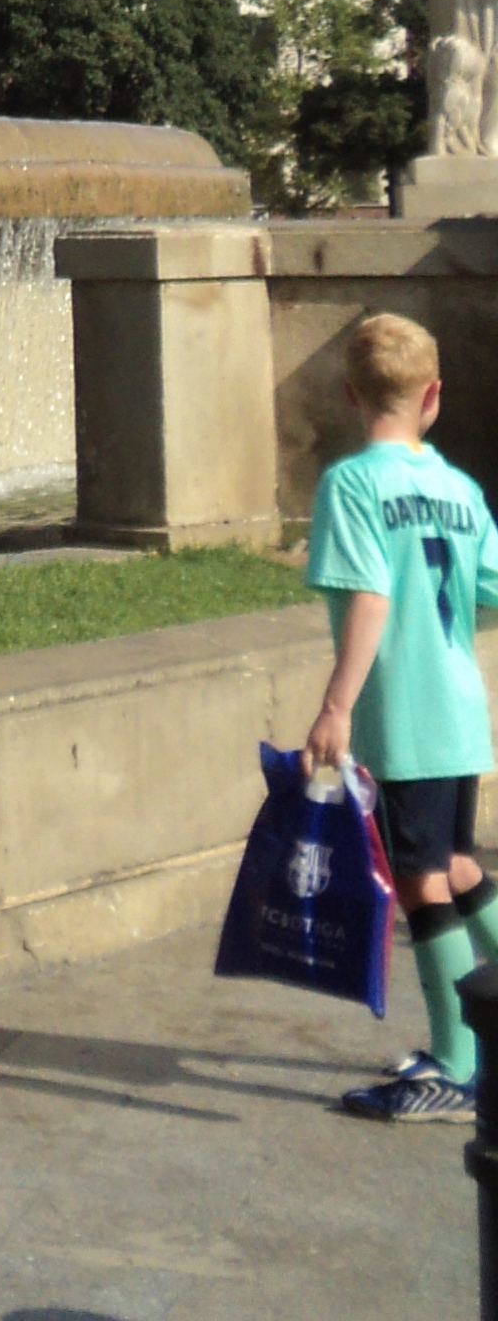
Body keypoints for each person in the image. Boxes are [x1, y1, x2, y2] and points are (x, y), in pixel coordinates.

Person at [301, 310, 498, 1122]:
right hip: (459, 708)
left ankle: (458, 1065)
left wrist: (336, 706)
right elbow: (489, 591)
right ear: (434, 396)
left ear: (350, 395)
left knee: (420, 881)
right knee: (455, 865)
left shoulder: (352, 485)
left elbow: (371, 596)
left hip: (405, 718)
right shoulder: (460, 488)